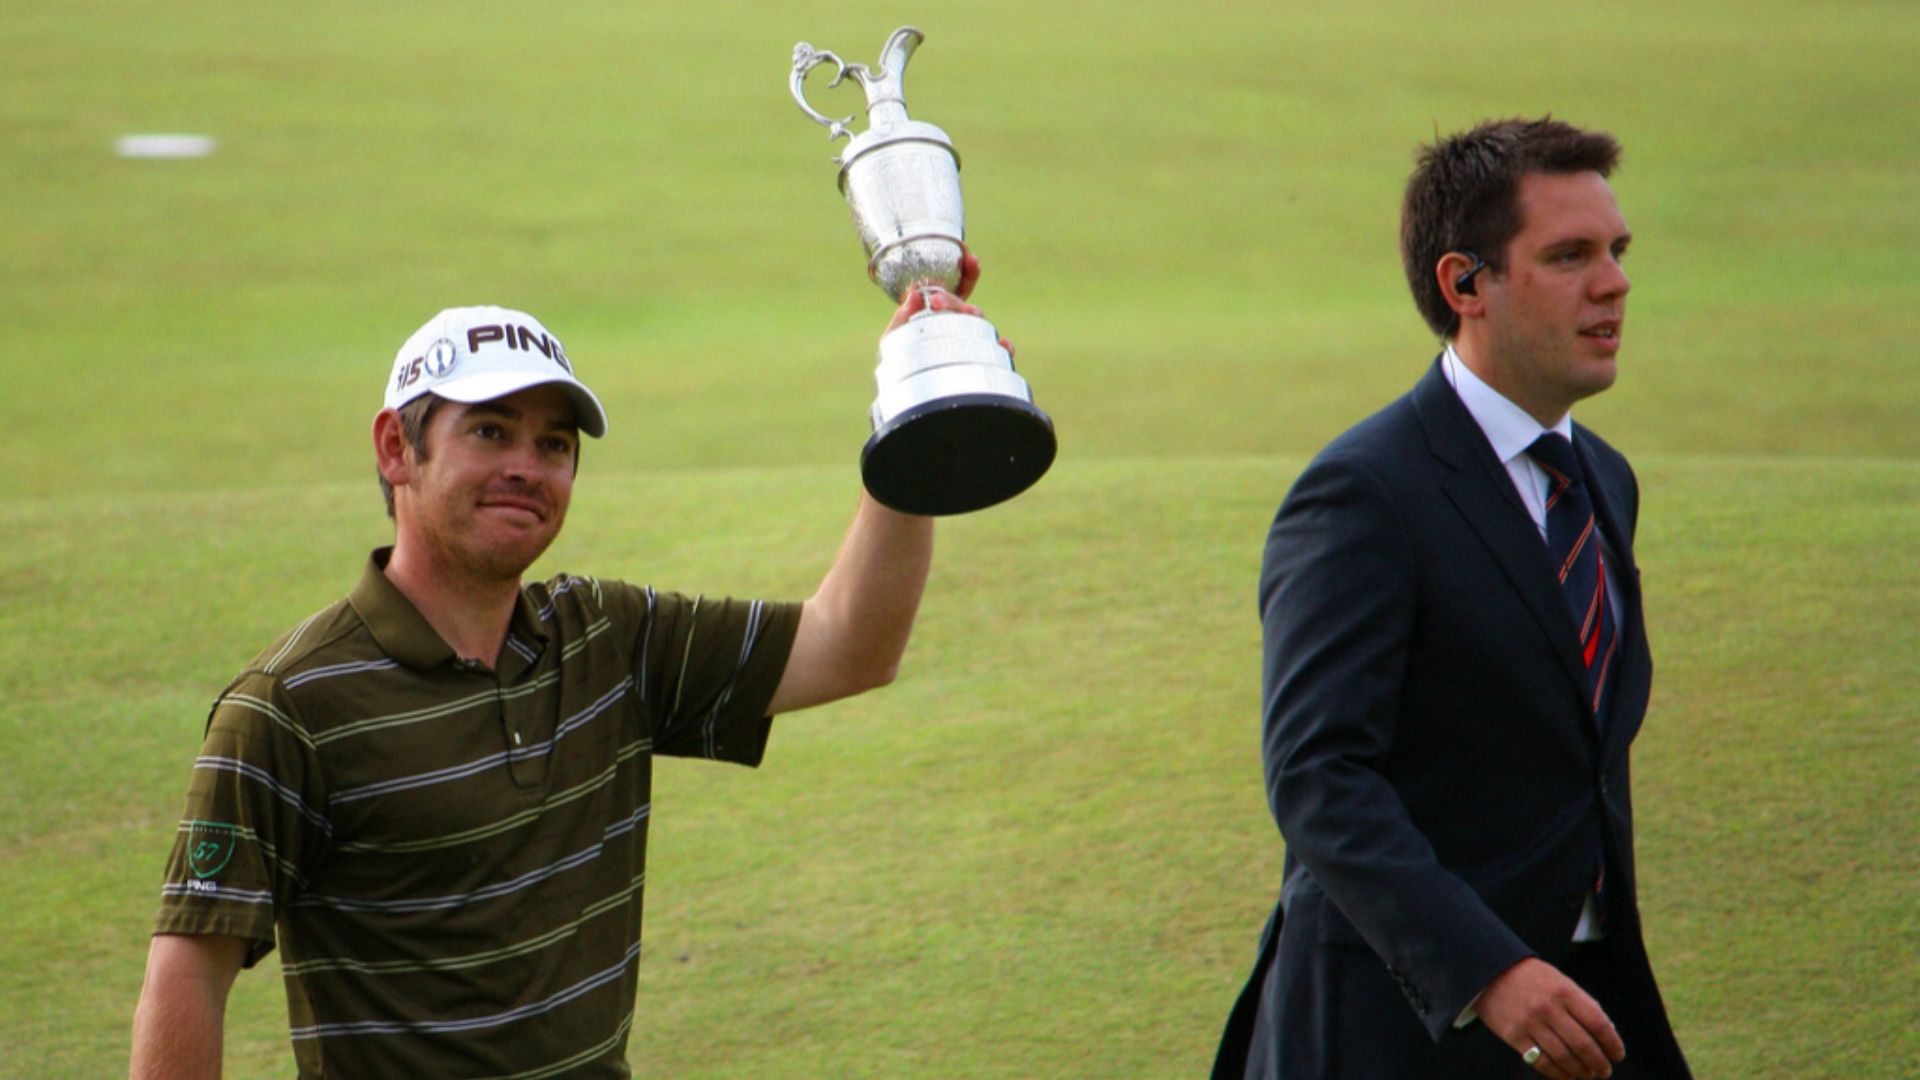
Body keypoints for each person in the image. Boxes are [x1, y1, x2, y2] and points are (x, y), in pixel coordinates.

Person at [129, 267, 1001, 1078]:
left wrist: (913, 414)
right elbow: (188, 975)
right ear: (397, 448)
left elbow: (851, 645)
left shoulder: (607, 639)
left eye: (553, 444)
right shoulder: (288, 707)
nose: (526, 467)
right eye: (489, 431)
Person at [1212, 118, 1692, 1079]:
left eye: (1617, 251)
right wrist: (1487, 970)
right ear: (1464, 285)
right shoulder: (1364, 494)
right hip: (1395, 1027)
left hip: (1581, 1011)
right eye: (1569, 256)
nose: (1614, 284)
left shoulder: (1602, 479)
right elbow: (1317, 775)